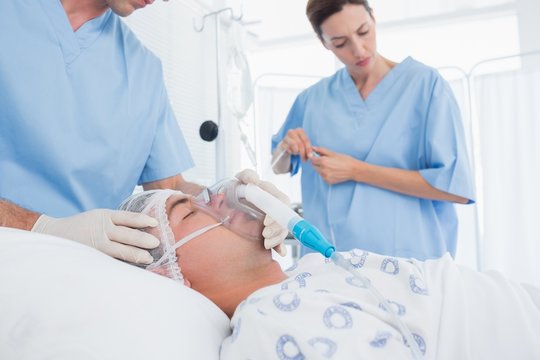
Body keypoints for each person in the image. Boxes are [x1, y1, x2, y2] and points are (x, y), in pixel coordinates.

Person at [0, 1, 287, 264]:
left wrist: (236, 200)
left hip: (87, 276)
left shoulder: (143, 68)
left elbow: (169, 187)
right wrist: (38, 227)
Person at [121, 186, 540, 360]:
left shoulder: (308, 274)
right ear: (171, 277)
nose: (218, 199)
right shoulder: (269, 323)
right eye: (191, 210)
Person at [271, 0, 476, 261]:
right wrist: (286, 147)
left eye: (363, 32)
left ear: (373, 18)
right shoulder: (312, 100)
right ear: (324, 42)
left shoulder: (425, 86)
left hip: (411, 264)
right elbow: (279, 165)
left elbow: (455, 189)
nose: (358, 49)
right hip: (330, 265)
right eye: (340, 42)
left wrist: (357, 171)